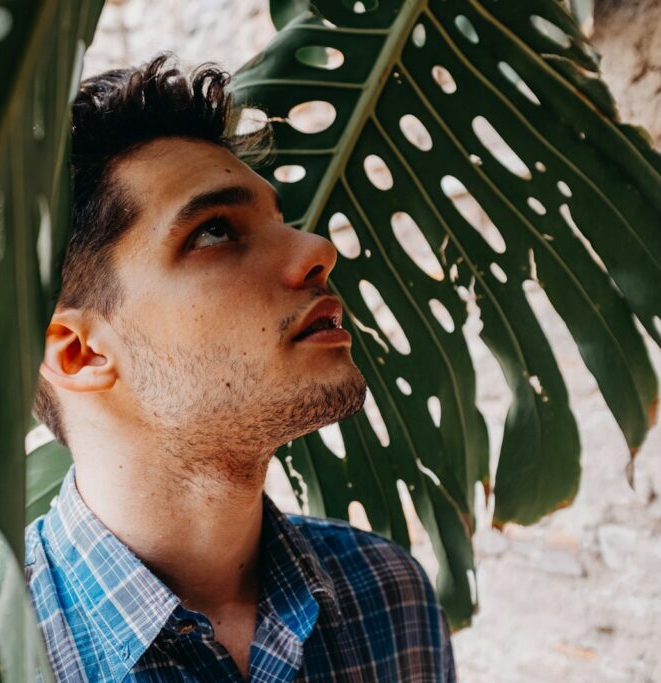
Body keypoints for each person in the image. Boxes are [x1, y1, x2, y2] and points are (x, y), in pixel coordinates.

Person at [23, 53, 456, 682]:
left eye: (277, 219)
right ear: (79, 353)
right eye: (213, 232)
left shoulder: (388, 597)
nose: (317, 249)